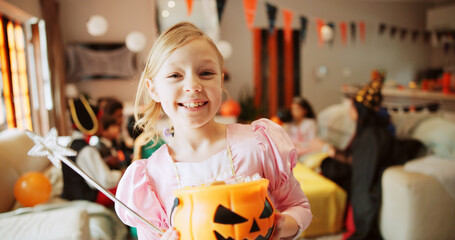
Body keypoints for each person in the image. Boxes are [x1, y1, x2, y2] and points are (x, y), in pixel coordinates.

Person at [114, 22, 312, 240]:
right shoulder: (151, 177)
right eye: (175, 76)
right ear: (154, 90)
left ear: (221, 80)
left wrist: (286, 225)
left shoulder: (258, 145)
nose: (193, 86)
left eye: (206, 73)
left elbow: (299, 206)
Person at [315, 70, 426, 240]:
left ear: (359, 110)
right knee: (328, 165)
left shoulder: (371, 136)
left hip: (366, 172)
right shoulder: (363, 130)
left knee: (340, 171)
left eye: (351, 107)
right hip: (357, 164)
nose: (349, 111)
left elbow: (363, 171)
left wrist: (328, 149)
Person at [62, 95, 123, 206]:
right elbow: (106, 180)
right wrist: (123, 173)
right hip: (87, 197)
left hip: (74, 195)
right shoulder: (86, 150)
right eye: (99, 121)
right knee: (128, 187)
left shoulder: (72, 144)